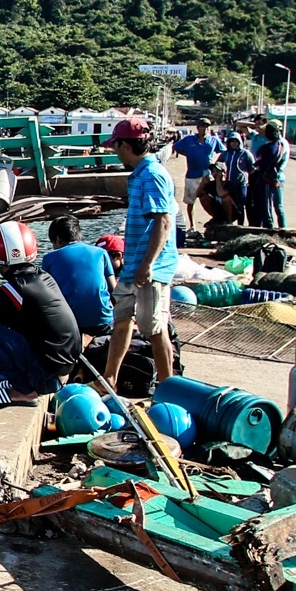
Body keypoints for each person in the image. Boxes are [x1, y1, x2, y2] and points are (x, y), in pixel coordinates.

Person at [0, 221, 83, 402]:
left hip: (47, 379)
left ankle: (23, 390)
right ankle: (25, 383)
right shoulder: (43, 277)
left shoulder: (16, 289)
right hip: (63, 372)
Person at [103, 117, 178, 393]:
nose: (114, 151)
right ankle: (109, 379)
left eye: (116, 146)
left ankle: (169, 385)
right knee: (121, 320)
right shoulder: (139, 174)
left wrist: (148, 265)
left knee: (154, 328)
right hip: (134, 262)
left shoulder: (153, 175)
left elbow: (164, 221)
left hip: (150, 267)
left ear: (125, 145)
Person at [43, 216, 115, 338]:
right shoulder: (100, 252)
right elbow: (114, 289)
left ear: (58, 239)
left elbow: (46, 295)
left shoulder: (49, 259)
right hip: (103, 321)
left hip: (71, 324)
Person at [172, 118, 223, 227]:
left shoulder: (214, 140)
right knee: (190, 202)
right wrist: (188, 155)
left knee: (211, 200)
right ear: (198, 128)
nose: (205, 129)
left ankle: (216, 221)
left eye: (207, 127)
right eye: (202, 126)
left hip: (207, 176)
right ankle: (192, 225)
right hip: (192, 175)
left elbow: (223, 152)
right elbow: (175, 147)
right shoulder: (189, 140)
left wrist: (216, 166)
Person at [249, 121, 289, 228]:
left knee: (268, 205)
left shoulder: (275, 146)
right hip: (270, 177)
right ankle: (267, 226)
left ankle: (270, 228)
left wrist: (260, 164)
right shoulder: (275, 145)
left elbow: (266, 163)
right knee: (266, 205)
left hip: (269, 178)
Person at [222, 137, 254, 226]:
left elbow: (252, 169)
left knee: (240, 206)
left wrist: (247, 179)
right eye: (232, 141)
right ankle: (229, 224)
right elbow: (218, 165)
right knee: (229, 205)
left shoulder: (245, 154)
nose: (234, 143)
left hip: (241, 184)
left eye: (236, 141)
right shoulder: (226, 154)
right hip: (229, 183)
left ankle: (241, 226)